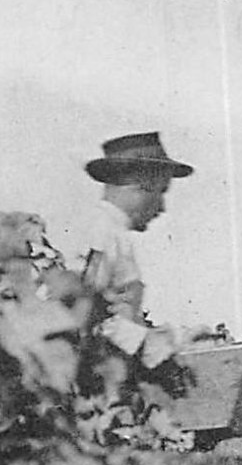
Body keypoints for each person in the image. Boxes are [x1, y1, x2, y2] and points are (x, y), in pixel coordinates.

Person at [73, 131, 194, 349]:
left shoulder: (113, 234)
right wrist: (161, 343)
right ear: (138, 186)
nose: (162, 207)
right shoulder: (102, 233)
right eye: (160, 192)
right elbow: (79, 319)